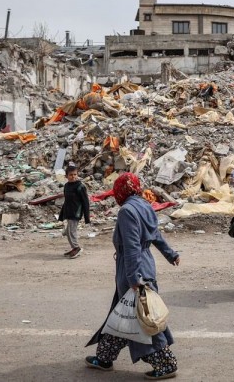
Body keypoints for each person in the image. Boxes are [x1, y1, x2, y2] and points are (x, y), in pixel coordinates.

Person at [85, 173, 181, 380]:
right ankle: (104, 357)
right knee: (122, 312)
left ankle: (165, 363)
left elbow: (131, 247)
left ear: (122, 191)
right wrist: (170, 254)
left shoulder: (127, 211)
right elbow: (156, 235)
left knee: (141, 317)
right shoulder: (145, 205)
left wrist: (132, 278)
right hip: (144, 263)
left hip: (133, 268)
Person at [58, 163, 91, 259]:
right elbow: (66, 201)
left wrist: (87, 218)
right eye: (71, 175)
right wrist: (62, 214)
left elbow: (85, 203)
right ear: (66, 176)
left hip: (76, 212)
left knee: (71, 231)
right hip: (69, 211)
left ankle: (77, 248)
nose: (73, 177)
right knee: (68, 231)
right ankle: (74, 248)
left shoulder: (80, 187)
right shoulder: (67, 186)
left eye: (75, 174)